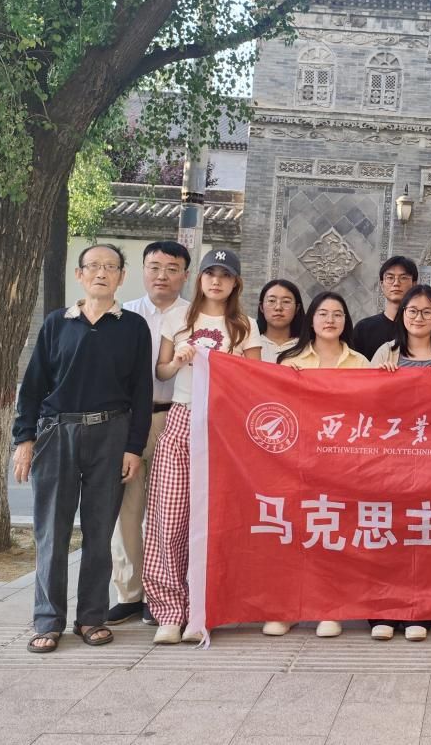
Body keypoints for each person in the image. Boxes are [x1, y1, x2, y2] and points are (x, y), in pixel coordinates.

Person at [12, 244, 152, 653]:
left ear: (121, 277)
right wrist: (24, 439)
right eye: (93, 266)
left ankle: (91, 617)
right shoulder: (57, 323)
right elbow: (33, 386)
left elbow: (141, 392)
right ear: (80, 274)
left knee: (99, 531)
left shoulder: (133, 327)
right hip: (57, 434)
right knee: (51, 531)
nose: (101, 273)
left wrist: (133, 447)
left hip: (111, 434)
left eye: (110, 267)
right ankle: (47, 620)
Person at [145, 248, 262, 644]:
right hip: (181, 415)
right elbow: (162, 371)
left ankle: (206, 608)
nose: (216, 280)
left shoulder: (245, 326)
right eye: (210, 273)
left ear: (235, 283)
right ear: (200, 278)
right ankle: (169, 612)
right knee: (169, 516)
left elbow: (255, 379)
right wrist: (178, 360)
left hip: (224, 426)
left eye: (225, 275)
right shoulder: (179, 318)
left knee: (218, 519)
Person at [259, 292, 370, 639]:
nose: (330, 320)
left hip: (341, 463)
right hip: (296, 462)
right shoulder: (290, 360)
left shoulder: (360, 363)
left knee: (332, 534)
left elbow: (371, 411)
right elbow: (272, 409)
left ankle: (329, 609)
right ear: (311, 319)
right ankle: (287, 609)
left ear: (346, 321)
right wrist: (284, 380)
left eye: (338, 314)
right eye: (323, 313)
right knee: (293, 534)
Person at [369, 284, 431, 640]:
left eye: (426, 312)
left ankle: (420, 611)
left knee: (426, 535)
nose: (418, 318)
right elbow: (363, 405)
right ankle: (382, 609)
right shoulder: (386, 352)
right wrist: (379, 382)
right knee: (388, 533)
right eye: (412, 311)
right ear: (402, 314)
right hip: (390, 460)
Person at [107, 241, 190, 627]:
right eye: (154, 267)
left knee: (171, 515)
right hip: (130, 422)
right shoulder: (122, 316)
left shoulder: (195, 317)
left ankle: (167, 594)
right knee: (128, 509)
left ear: (185, 275)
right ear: (141, 271)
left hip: (178, 419)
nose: (162, 275)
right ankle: (129, 593)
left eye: (172, 269)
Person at [352, 255, 417, 359]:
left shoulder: (420, 328)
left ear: (414, 284)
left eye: (403, 278)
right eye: (390, 278)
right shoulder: (364, 328)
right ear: (382, 285)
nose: (396, 283)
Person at [256, 279, 304, 363]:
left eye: (286, 301)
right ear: (261, 307)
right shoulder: (250, 344)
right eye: (271, 301)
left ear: (297, 308)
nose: (278, 307)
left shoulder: (308, 346)